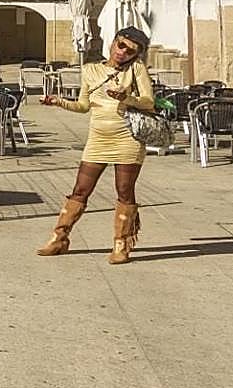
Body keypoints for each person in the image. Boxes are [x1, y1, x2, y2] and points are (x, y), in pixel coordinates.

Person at [36, 26, 154, 265]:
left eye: (131, 52)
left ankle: (121, 244)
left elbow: (149, 102)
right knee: (81, 188)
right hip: (98, 138)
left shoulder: (136, 70)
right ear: (113, 42)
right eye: (121, 46)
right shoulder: (90, 70)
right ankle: (59, 237)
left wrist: (127, 98)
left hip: (127, 139)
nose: (123, 53)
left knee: (124, 190)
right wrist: (58, 101)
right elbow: (83, 105)